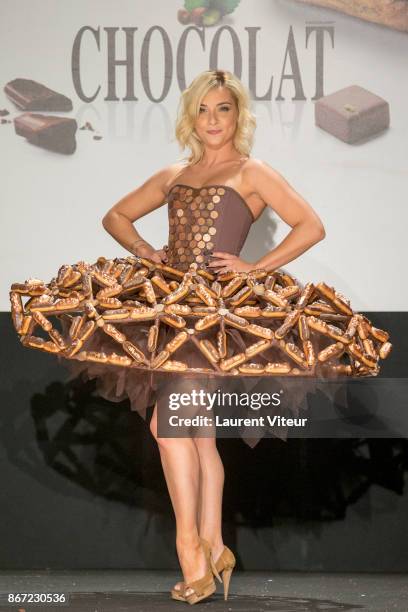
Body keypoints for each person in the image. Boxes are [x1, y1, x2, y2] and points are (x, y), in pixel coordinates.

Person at [100, 69, 326, 604]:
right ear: (191, 117)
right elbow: (115, 216)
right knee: (198, 435)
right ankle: (216, 545)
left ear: (237, 115)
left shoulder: (253, 171)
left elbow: (310, 225)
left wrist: (256, 268)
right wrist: (147, 253)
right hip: (171, 312)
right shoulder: (174, 172)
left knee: (169, 424)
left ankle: (191, 553)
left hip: (216, 315)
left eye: (222, 109)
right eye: (203, 110)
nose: (212, 120)